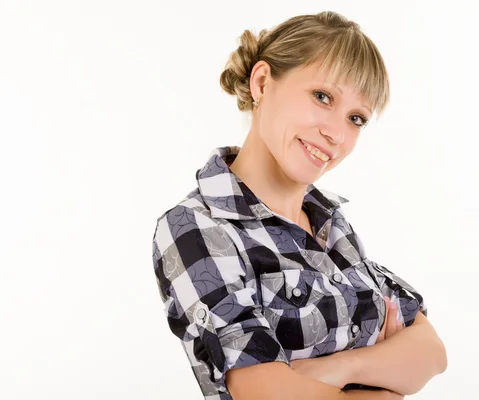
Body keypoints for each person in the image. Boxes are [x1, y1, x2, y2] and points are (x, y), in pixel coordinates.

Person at [151, 11, 447, 400]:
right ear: (261, 82)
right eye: (322, 97)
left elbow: (431, 351)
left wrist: (339, 368)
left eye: (356, 118)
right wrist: (384, 385)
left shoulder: (333, 227)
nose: (336, 134)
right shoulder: (197, 228)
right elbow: (260, 391)